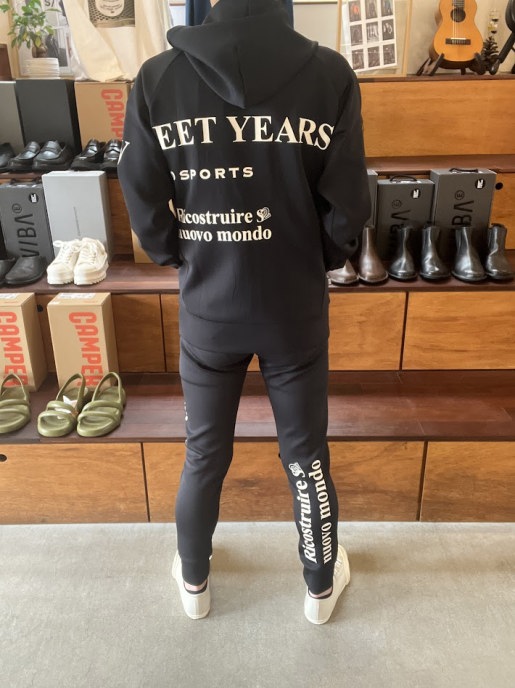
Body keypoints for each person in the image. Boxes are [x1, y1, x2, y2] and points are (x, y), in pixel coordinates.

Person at [118, 0, 370, 624]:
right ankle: (319, 590)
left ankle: (195, 584)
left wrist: (179, 253)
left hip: (209, 304)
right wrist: (315, 257)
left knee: (204, 453)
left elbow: (142, 196)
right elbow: (347, 205)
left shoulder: (157, 79)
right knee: (306, 456)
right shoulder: (330, 74)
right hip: (292, 306)